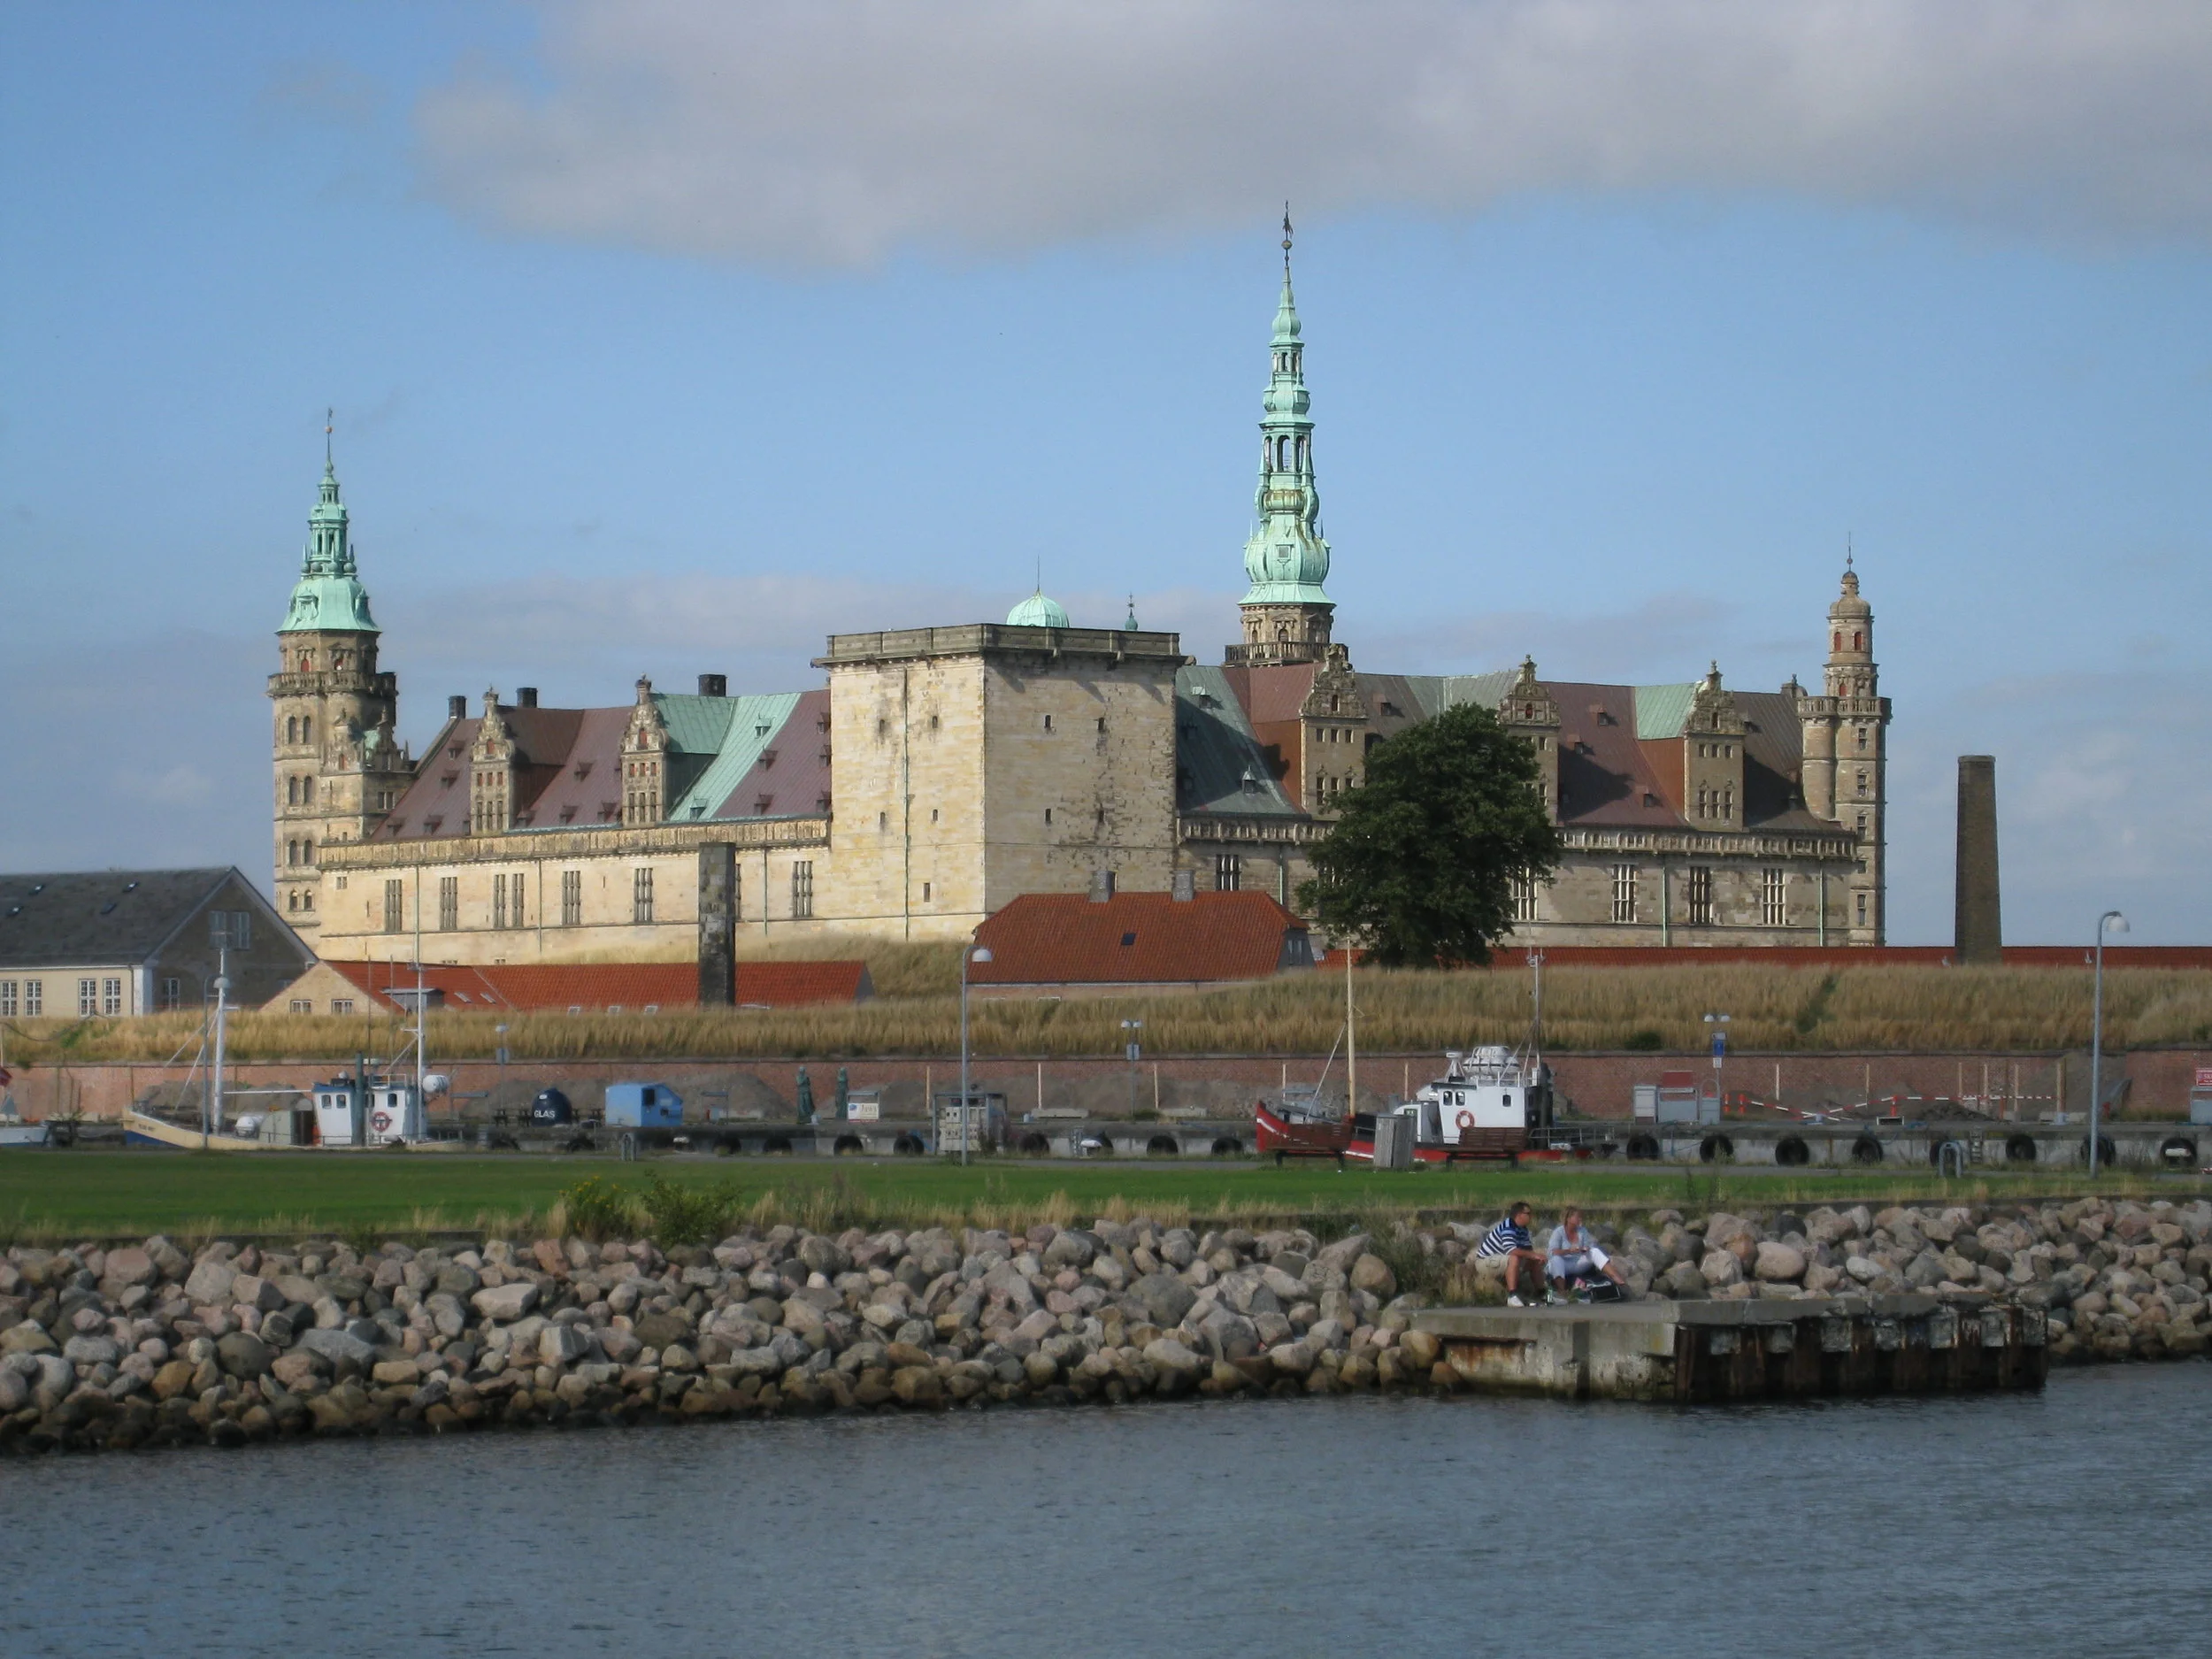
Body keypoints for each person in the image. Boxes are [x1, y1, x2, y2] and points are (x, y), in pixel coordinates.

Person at [1545, 1207, 1629, 1301]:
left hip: (1578, 1261)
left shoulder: (1582, 1230)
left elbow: (1588, 1245)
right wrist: (1568, 1251)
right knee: (1556, 1259)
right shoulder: (1558, 1232)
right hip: (1564, 1264)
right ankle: (1562, 1290)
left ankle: (1619, 1281)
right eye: (1577, 1217)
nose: (1580, 1219)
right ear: (1568, 1219)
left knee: (1594, 1251)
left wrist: (1585, 1249)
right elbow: (1552, 1252)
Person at [1476, 1201, 1547, 1307]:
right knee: (1514, 1258)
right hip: (1485, 1261)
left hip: (1502, 1260)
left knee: (1534, 1261)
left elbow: (1528, 1251)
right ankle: (1512, 1296)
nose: (1531, 1216)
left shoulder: (1523, 1229)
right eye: (1528, 1213)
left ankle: (1543, 1294)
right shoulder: (1508, 1226)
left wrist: (1537, 1258)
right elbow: (1511, 1250)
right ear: (1519, 1215)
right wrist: (1534, 1255)